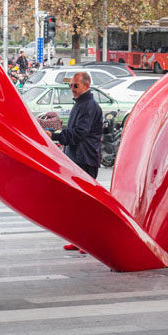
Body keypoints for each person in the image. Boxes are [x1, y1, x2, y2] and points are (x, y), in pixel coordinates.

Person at [49, 71, 104, 252]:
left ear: (86, 86)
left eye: (75, 86)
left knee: (86, 203)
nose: (72, 89)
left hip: (85, 158)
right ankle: (80, 240)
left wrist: (55, 136)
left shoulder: (88, 106)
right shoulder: (81, 104)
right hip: (77, 157)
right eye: (70, 85)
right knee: (77, 203)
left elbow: (79, 133)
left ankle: (89, 242)